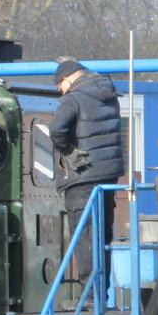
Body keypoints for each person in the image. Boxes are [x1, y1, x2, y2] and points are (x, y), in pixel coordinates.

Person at [49, 57, 124, 288]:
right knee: (103, 238)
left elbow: (56, 129)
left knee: (85, 239)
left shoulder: (73, 99)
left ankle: (90, 298)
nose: (60, 91)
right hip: (108, 177)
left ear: (67, 79)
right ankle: (102, 294)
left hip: (82, 179)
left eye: (59, 85)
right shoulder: (109, 97)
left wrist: (70, 153)